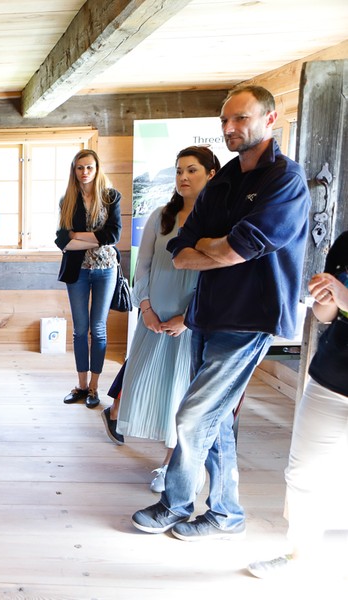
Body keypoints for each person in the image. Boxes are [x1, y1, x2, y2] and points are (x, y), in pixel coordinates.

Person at [131, 85, 310, 541]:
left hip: (250, 318)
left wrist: (212, 247)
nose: (230, 128)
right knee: (217, 420)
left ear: (270, 119)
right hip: (207, 313)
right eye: (225, 120)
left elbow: (240, 248)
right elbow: (180, 250)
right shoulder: (225, 178)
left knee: (193, 416)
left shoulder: (285, 180)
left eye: (241, 118)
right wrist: (218, 247)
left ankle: (175, 504)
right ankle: (227, 515)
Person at [103, 147, 220, 496]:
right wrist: (146, 308)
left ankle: (172, 465)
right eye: (179, 170)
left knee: (183, 395)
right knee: (152, 388)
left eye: (192, 170)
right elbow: (143, 267)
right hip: (153, 320)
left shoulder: (218, 222)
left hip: (192, 324)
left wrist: (189, 318)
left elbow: (217, 278)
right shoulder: (161, 216)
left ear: (211, 175)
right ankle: (169, 458)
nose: (183, 177)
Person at [248, 231, 348, 578]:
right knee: (303, 473)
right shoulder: (346, 242)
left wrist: (344, 296)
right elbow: (326, 315)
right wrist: (325, 297)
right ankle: (299, 555)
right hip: (330, 376)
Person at [55, 149, 122, 408]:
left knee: (99, 328)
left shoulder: (110, 197)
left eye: (89, 167)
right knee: (80, 330)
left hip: (106, 269)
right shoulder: (67, 200)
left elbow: (113, 236)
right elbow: (62, 240)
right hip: (78, 271)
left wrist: (77, 236)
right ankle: (81, 385)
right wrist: (94, 238)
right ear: (74, 170)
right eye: (80, 167)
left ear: (97, 168)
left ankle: (95, 386)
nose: (85, 172)